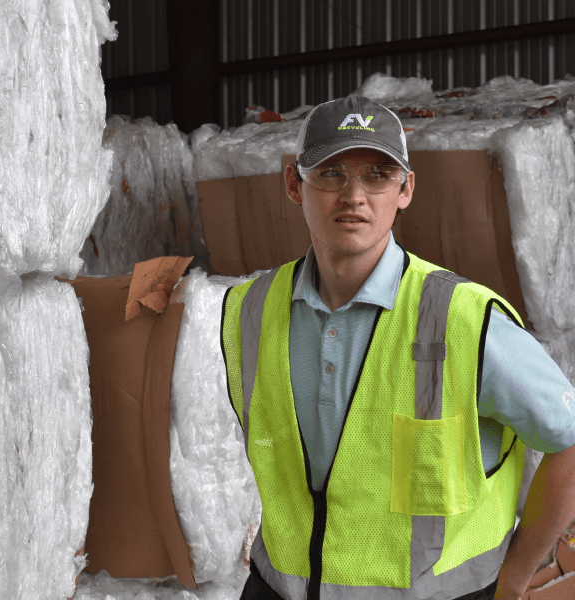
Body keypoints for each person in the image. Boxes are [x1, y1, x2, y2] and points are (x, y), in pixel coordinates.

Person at [221, 96, 575, 600]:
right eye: (332, 173)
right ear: (293, 185)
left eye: (378, 174)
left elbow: (569, 441)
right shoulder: (249, 309)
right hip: (278, 589)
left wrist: (514, 581)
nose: (354, 195)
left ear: (406, 189)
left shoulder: (464, 319)